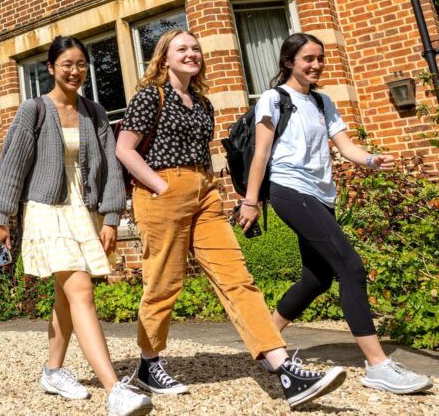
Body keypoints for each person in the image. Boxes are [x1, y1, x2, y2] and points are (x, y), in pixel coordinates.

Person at [115, 29, 346, 408]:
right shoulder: (150, 97)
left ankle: (283, 368)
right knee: (164, 283)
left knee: (237, 277)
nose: (192, 54)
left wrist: (215, 191)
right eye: (182, 49)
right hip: (162, 192)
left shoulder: (203, 103)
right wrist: (161, 186)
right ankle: (148, 362)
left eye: (195, 48)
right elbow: (125, 149)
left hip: (204, 193)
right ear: (164, 58)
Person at [241, 32, 433, 394]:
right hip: (289, 190)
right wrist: (251, 201)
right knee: (351, 267)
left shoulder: (322, 101)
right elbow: (261, 154)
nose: (316, 65)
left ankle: (262, 341)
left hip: (321, 195)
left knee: (317, 279)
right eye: (307, 59)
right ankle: (378, 366)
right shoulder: (274, 98)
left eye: (319, 58)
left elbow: (346, 147)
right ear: (288, 63)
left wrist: (372, 160)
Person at [0, 36, 153, 416]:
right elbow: (12, 166)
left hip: (85, 208)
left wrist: (112, 217)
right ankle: (115, 391)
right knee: (80, 289)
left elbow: (112, 168)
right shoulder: (33, 110)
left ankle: (53, 370)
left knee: (66, 295)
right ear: (50, 67)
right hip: (47, 208)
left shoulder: (94, 113)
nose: (75, 71)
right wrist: (2, 218)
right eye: (67, 64)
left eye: (81, 64)